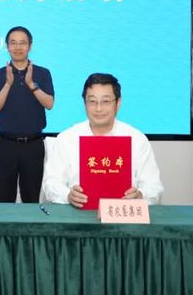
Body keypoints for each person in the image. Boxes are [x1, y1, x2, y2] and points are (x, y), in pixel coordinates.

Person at [42, 73, 163, 206]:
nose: (98, 108)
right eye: (92, 101)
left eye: (106, 101)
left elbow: (154, 186)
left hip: (124, 214)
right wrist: (68, 195)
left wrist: (140, 195)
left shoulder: (137, 139)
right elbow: (51, 183)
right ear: (84, 104)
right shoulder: (67, 138)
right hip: (77, 212)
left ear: (118, 103)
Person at [0, 26, 54, 203]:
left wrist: (32, 84)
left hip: (33, 146)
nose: (18, 47)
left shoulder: (43, 73)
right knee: (5, 201)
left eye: (22, 43)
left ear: (30, 46)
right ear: (7, 46)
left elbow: (49, 103)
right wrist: (8, 84)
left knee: (31, 200)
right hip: (5, 146)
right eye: (13, 43)